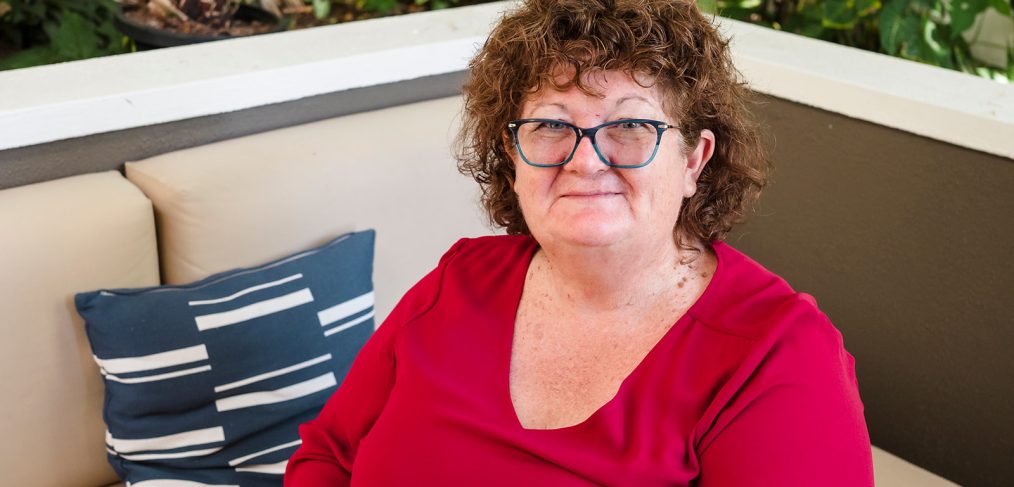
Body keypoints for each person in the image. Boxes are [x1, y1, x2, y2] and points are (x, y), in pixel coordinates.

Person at [284, 0, 874, 485]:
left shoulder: (775, 355)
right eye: (549, 125)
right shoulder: (459, 280)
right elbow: (329, 456)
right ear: (511, 157)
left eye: (629, 126)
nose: (585, 162)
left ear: (694, 160)